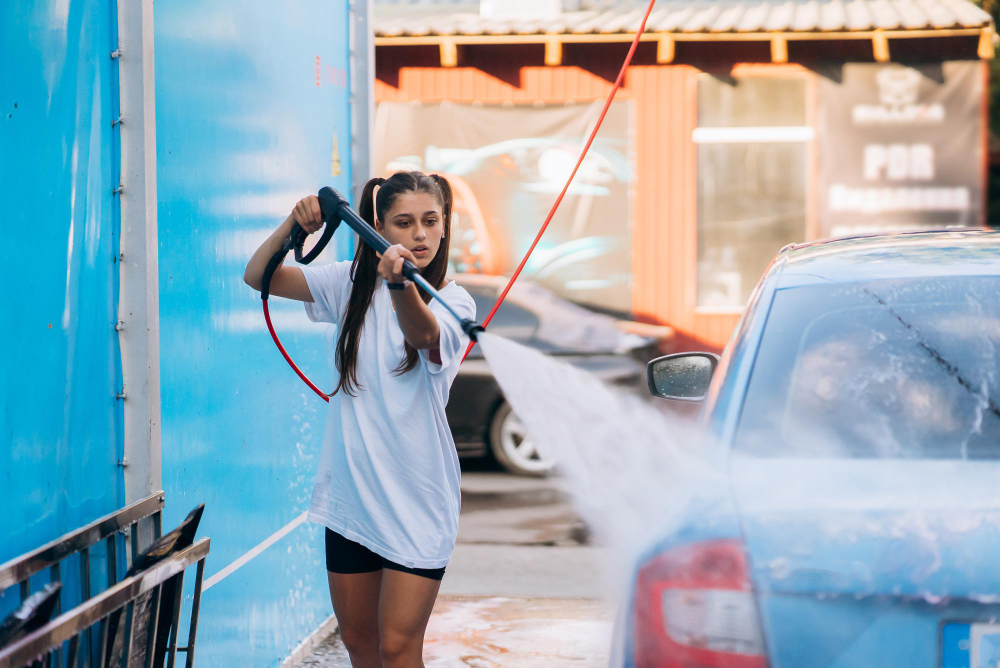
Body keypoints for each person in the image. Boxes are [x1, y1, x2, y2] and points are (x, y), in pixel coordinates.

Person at [243, 171, 476, 668]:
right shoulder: (347, 284)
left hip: (418, 502)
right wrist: (294, 224)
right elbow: (258, 274)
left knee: (397, 647)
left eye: (431, 221)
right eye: (404, 222)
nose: (419, 235)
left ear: (444, 226)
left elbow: (422, 335)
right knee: (360, 645)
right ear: (378, 227)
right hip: (350, 500)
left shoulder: (454, 303)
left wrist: (398, 286)